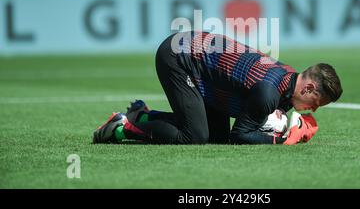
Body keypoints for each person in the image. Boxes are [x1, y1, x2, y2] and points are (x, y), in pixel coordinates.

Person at [93, 31, 343, 145]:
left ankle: (144, 115)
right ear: (309, 88)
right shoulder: (269, 91)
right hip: (180, 57)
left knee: (216, 137)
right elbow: (241, 135)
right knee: (195, 136)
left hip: (206, 70)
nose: (314, 110)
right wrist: (281, 140)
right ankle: (122, 128)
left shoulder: (288, 81)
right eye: (316, 103)